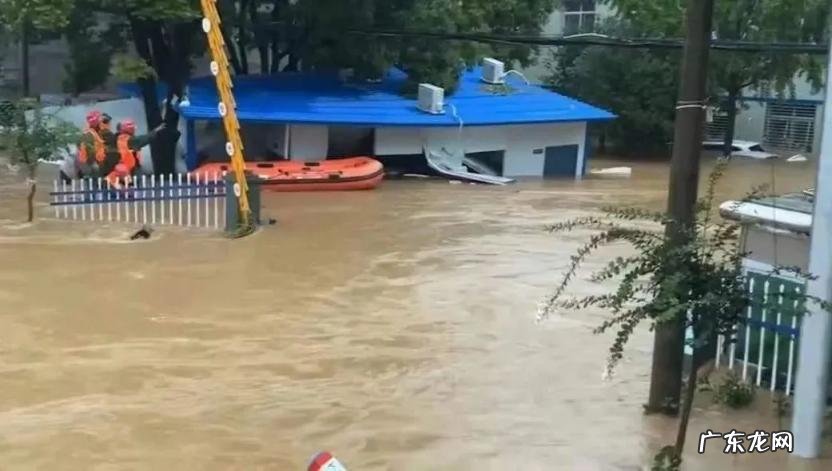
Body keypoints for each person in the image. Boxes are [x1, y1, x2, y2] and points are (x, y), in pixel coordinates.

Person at [106, 119, 165, 189]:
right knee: (134, 186)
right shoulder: (131, 140)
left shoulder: (117, 138)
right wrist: (156, 131)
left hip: (118, 168)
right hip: (130, 169)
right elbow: (144, 139)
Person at [76, 110, 115, 179]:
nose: (102, 124)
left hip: (95, 167)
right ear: (96, 122)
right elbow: (90, 153)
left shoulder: (95, 134)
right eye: (101, 122)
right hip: (93, 169)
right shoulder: (89, 135)